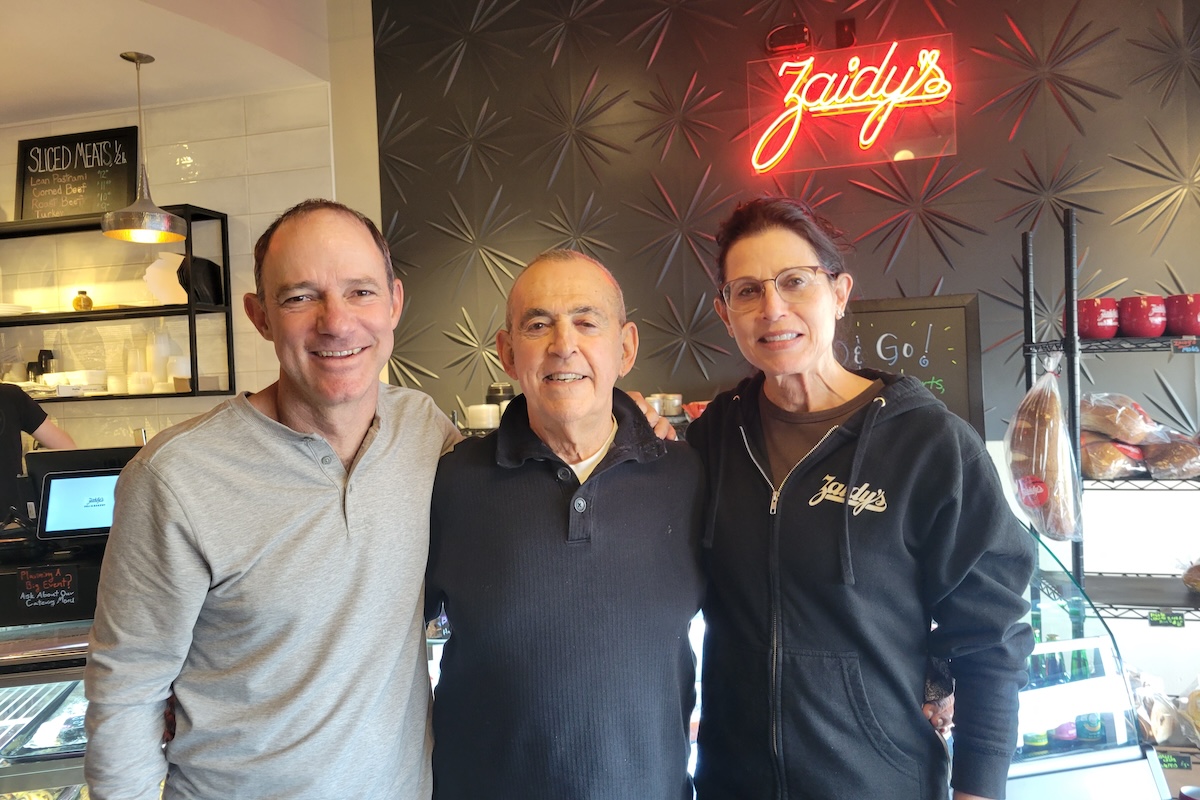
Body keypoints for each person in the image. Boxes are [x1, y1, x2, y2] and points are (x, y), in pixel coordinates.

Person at [84, 199, 459, 800]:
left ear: (395, 303)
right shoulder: (174, 476)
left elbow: (521, 488)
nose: (336, 322)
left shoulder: (425, 430)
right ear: (259, 316)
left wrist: (631, 426)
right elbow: (127, 690)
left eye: (360, 292)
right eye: (300, 297)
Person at [683, 197, 1036, 800]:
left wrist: (978, 787)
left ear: (840, 293)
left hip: (879, 781)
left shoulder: (929, 444)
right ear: (725, 311)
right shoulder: (714, 438)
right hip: (729, 784)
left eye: (795, 281)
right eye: (747, 291)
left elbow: (989, 636)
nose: (773, 309)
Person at [425, 250, 706, 799]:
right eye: (537, 325)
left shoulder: (690, 478)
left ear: (624, 348)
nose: (562, 344)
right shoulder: (448, 483)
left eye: (586, 321)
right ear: (507, 353)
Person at [0, 383, 74, 520]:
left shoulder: (10, 396)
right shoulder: (10, 395)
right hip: (10, 523)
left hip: (10, 523)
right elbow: (69, 450)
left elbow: (67, 449)